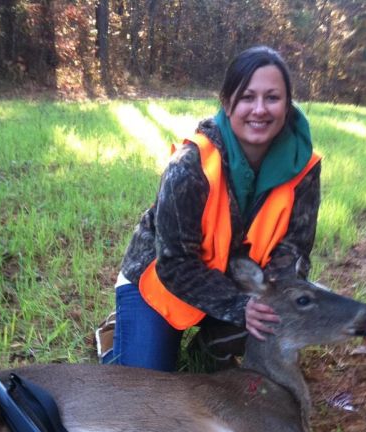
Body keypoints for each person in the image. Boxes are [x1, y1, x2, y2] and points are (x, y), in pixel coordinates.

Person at [101, 45, 321, 371]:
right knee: (145, 385)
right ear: (227, 103)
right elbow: (174, 264)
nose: (260, 109)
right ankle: (117, 334)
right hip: (159, 284)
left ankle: (210, 345)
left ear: (288, 105)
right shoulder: (190, 164)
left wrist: (275, 302)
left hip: (238, 285)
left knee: (285, 321)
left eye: (273, 98)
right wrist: (240, 307)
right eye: (247, 97)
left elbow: (295, 249)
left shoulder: (304, 166)